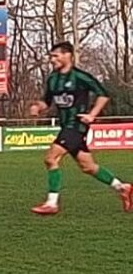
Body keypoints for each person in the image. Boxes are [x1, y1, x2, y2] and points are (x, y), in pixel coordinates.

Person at [28, 41, 133, 215]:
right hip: (66, 126)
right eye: (51, 56)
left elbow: (103, 94)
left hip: (76, 126)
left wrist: (92, 114)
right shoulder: (53, 79)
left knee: (50, 158)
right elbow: (46, 101)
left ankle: (52, 203)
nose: (52, 59)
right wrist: (37, 107)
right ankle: (122, 187)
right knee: (88, 167)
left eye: (56, 55)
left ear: (68, 55)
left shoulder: (80, 77)